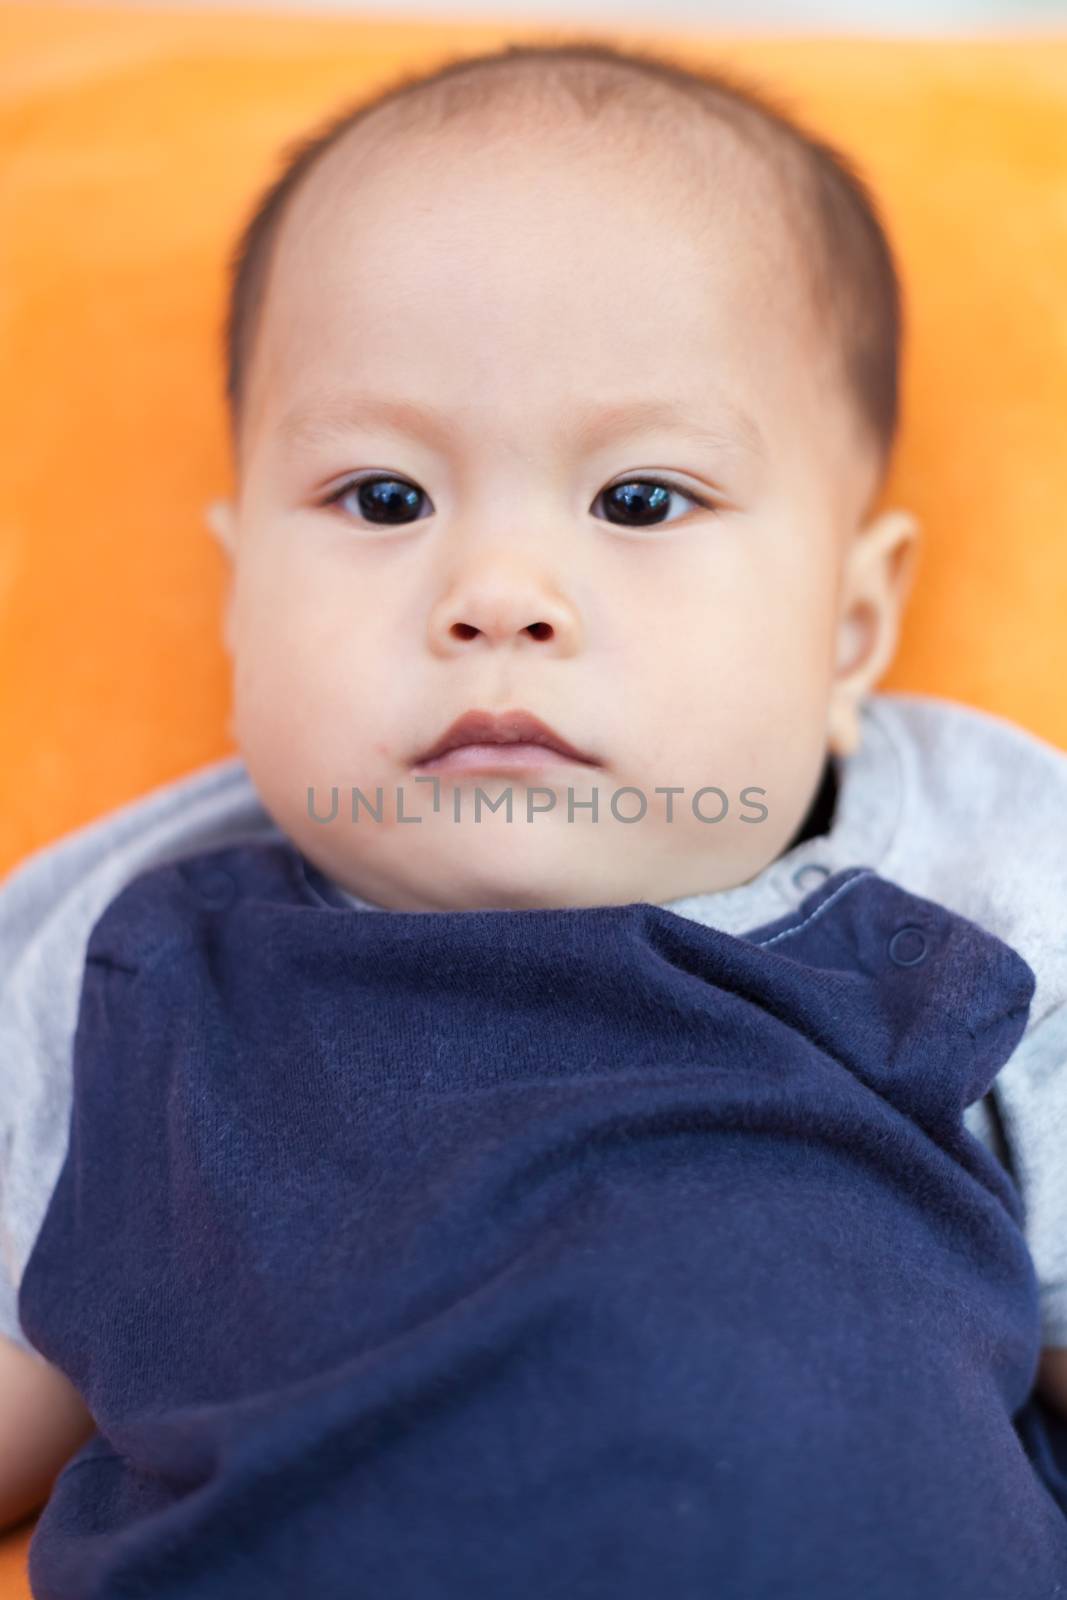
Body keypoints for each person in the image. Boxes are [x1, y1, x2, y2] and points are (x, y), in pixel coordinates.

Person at [2, 37, 1067, 1596]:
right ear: (238, 597)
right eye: (383, 498)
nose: (497, 595)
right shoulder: (135, 942)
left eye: (641, 500)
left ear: (849, 627)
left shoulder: (982, 872)